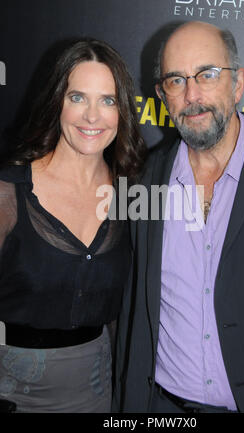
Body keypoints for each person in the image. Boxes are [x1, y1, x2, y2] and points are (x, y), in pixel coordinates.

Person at [113, 21, 244, 413]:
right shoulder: (142, 181)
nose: (192, 95)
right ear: (163, 95)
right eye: (176, 80)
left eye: (207, 74)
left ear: (238, 83)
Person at [0, 38, 146, 412]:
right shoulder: (8, 191)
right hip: (10, 393)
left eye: (108, 100)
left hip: (96, 391)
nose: (92, 116)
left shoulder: (134, 195)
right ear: (57, 103)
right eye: (78, 97)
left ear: (123, 111)